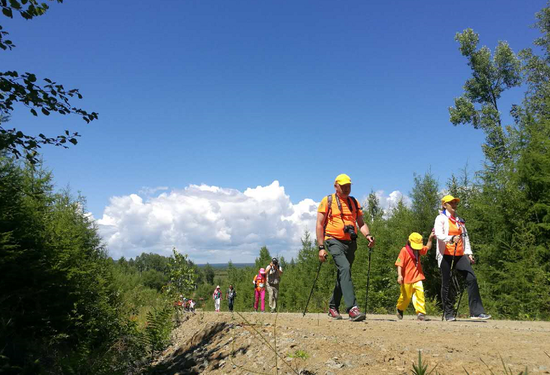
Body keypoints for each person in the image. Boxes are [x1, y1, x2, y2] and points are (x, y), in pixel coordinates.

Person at [316, 173, 375, 322]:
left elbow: (361, 223)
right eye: (343, 186)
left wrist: (368, 235)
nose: (346, 189)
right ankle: (352, 308)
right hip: (333, 240)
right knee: (345, 268)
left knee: (344, 273)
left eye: (348, 186)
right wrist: (321, 247)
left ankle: (333, 306)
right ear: (336, 186)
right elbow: (319, 224)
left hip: (350, 243)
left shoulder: (354, 202)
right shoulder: (327, 201)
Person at [434, 195, 491, 321]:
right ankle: (449, 313)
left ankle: (476, 312)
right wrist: (450, 238)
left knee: (472, 278)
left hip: (460, 255)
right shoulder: (440, 218)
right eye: (451, 203)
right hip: (445, 255)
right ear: (444, 205)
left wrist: (469, 253)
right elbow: (438, 234)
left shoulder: (459, 220)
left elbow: (465, 237)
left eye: (455, 203)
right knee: (447, 283)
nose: (454, 205)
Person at [395, 231, 435, 321]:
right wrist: (399, 275)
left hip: (417, 277)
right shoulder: (404, 250)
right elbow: (399, 264)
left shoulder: (419, 250)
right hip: (406, 279)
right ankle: (400, 308)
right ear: (409, 242)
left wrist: (430, 238)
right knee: (405, 297)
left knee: (420, 294)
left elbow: (428, 247)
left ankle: (421, 313)